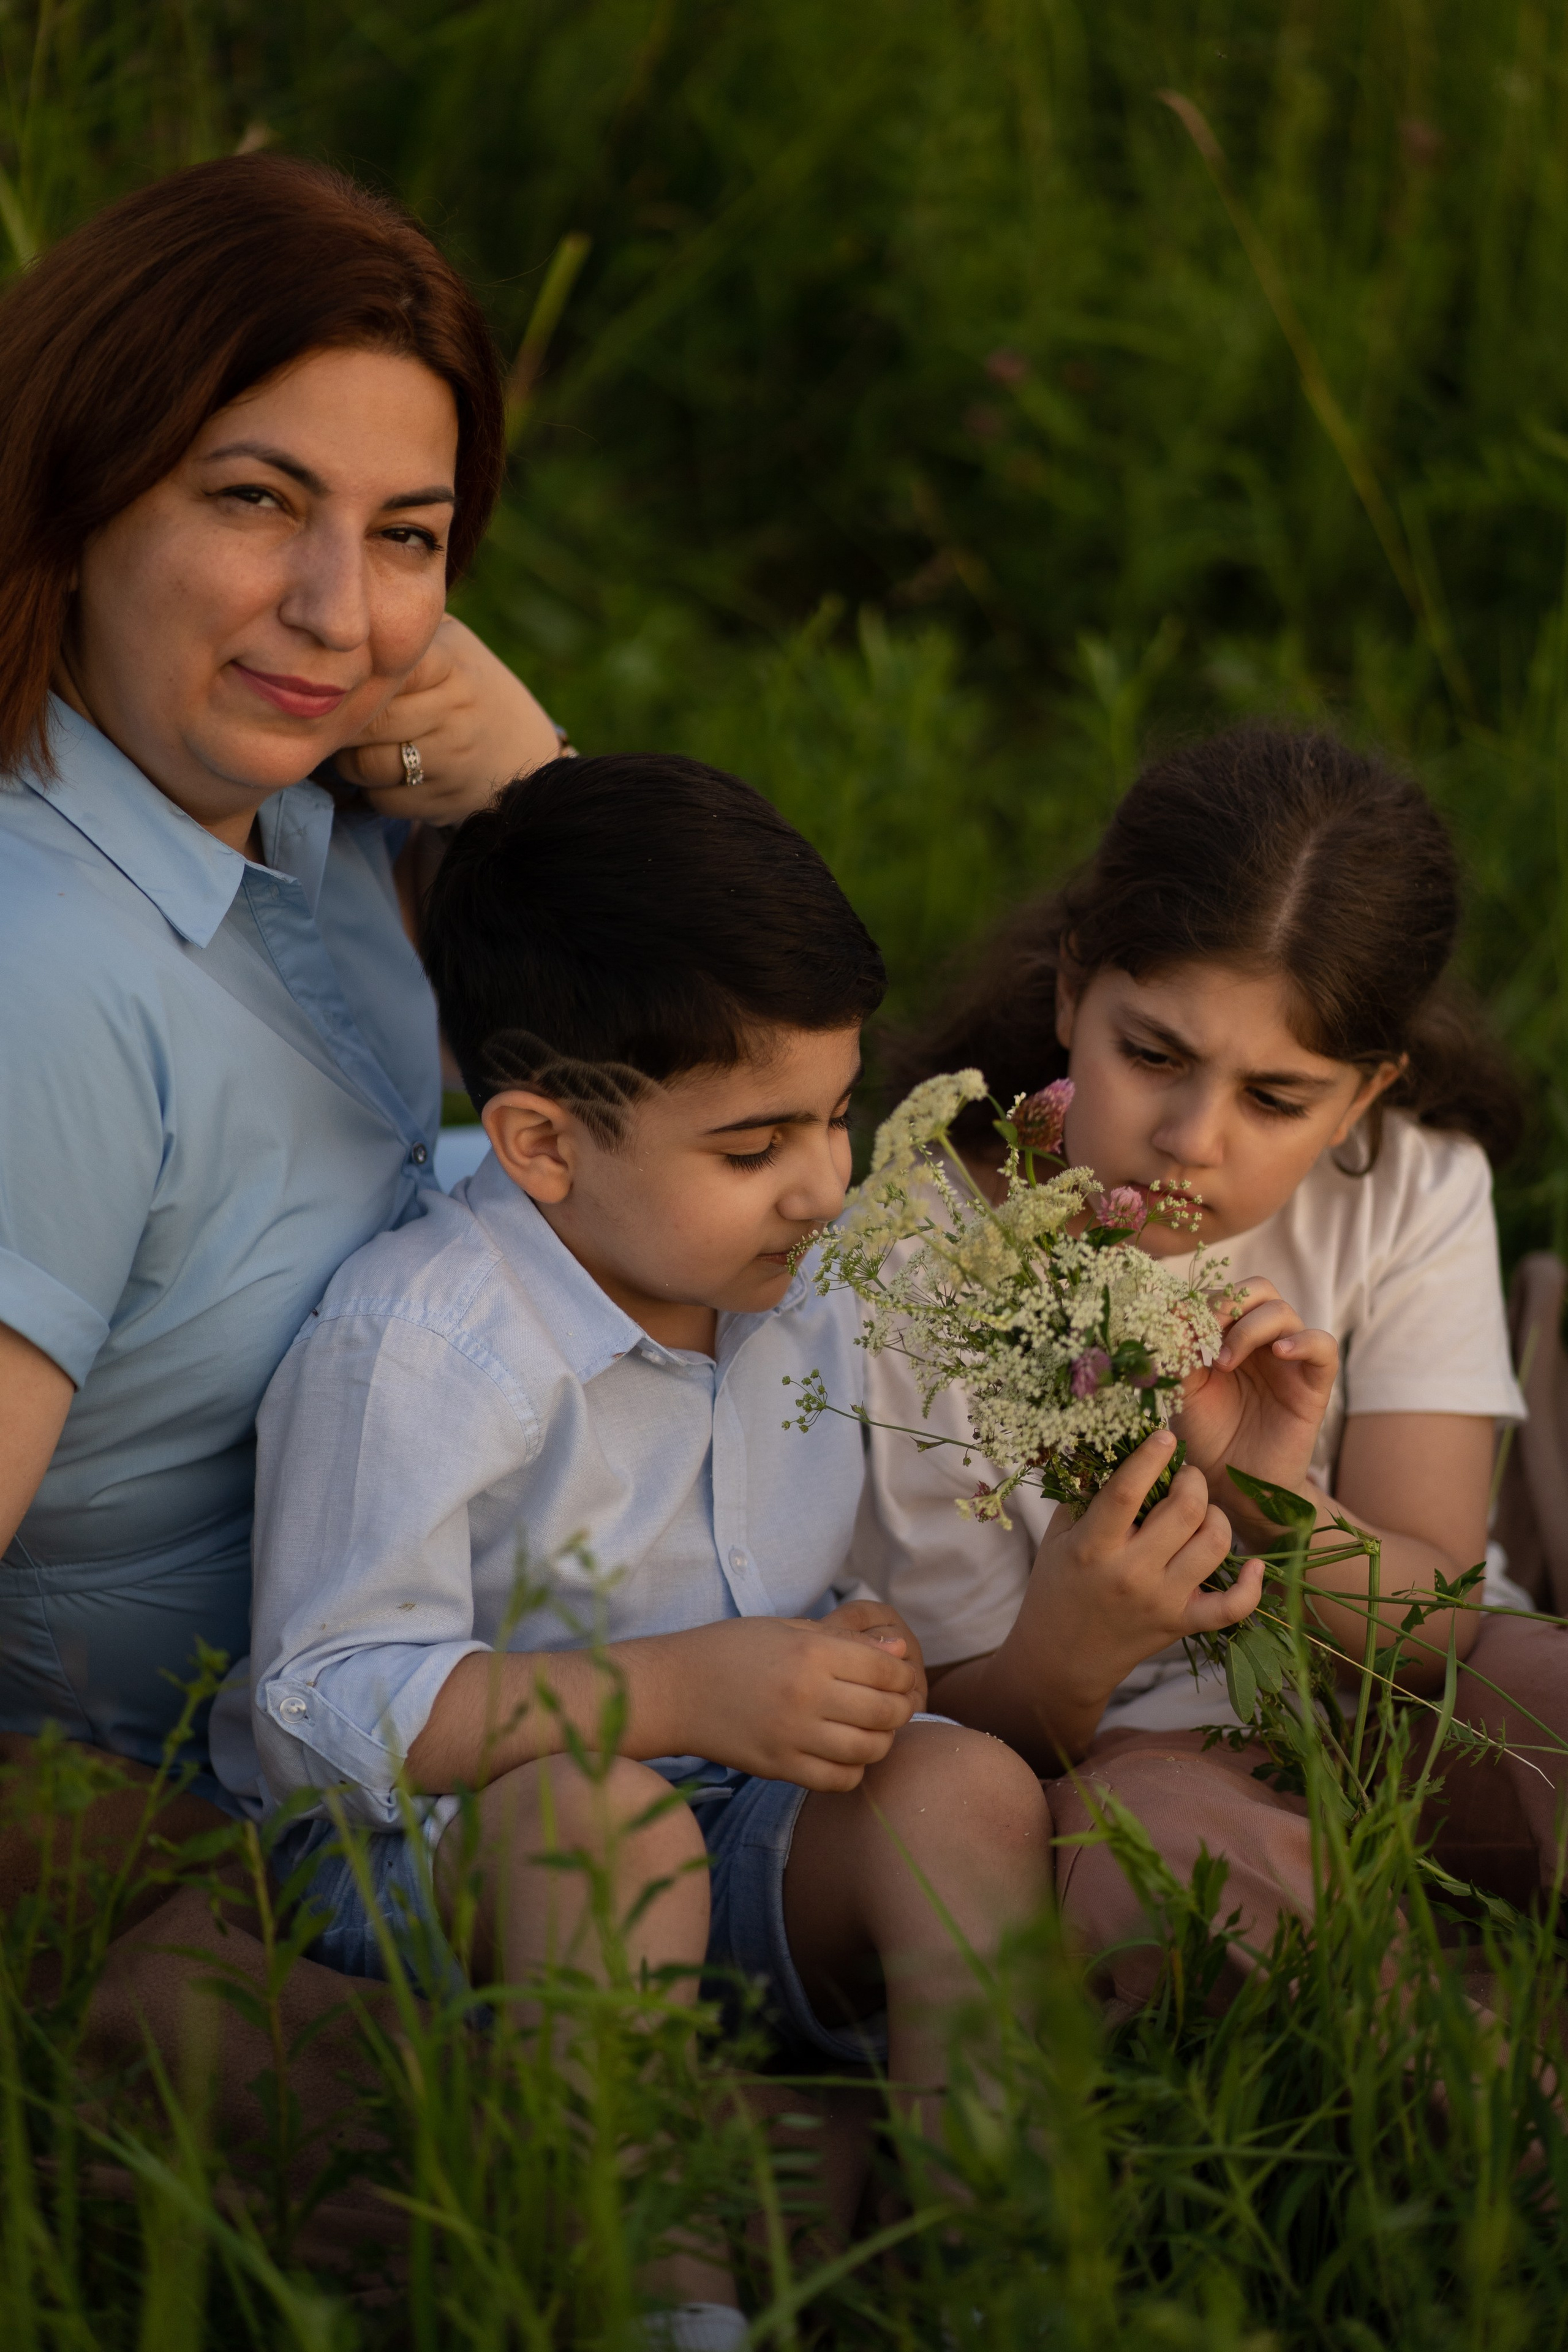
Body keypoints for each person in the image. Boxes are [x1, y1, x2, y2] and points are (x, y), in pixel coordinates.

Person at [246, 754, 1055, 2343]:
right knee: (610, 1828)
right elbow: (322, 1711)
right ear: (543, 1147)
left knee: (969, 1791)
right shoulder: (428, 1345)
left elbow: (876, 1568)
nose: (824, 1184)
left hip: (737, 1828)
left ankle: (998, 2251)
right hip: (455, 1860)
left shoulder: (815, 1290)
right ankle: (662, 2302)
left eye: (837, 1112)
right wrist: (678, 1694)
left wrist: (854, 1664)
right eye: (755, 1148)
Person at [0, 152, 563, 1844]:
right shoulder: (51, 977)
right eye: (255, 500)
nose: (339, 615)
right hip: (184, 1832)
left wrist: (531, 793)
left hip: (465, 1723)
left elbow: (703, 1135)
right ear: (80, 483)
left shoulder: (320, 820)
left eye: (408, 537)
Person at [849, 726, 1568, 1999]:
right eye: (1153, 1057)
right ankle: (1485, 2137)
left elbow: (1435, 1618)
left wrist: (1266, 1496)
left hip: (1392, 1694)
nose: (1190, 1141)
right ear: (1072, 991)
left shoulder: (1406, 1185)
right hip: (1116, 1751)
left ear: (1360, 1097)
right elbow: (967, 1733)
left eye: (1275, 1100)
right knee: (1174, 1862)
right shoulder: (928, 1250)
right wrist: (1078, 1641)